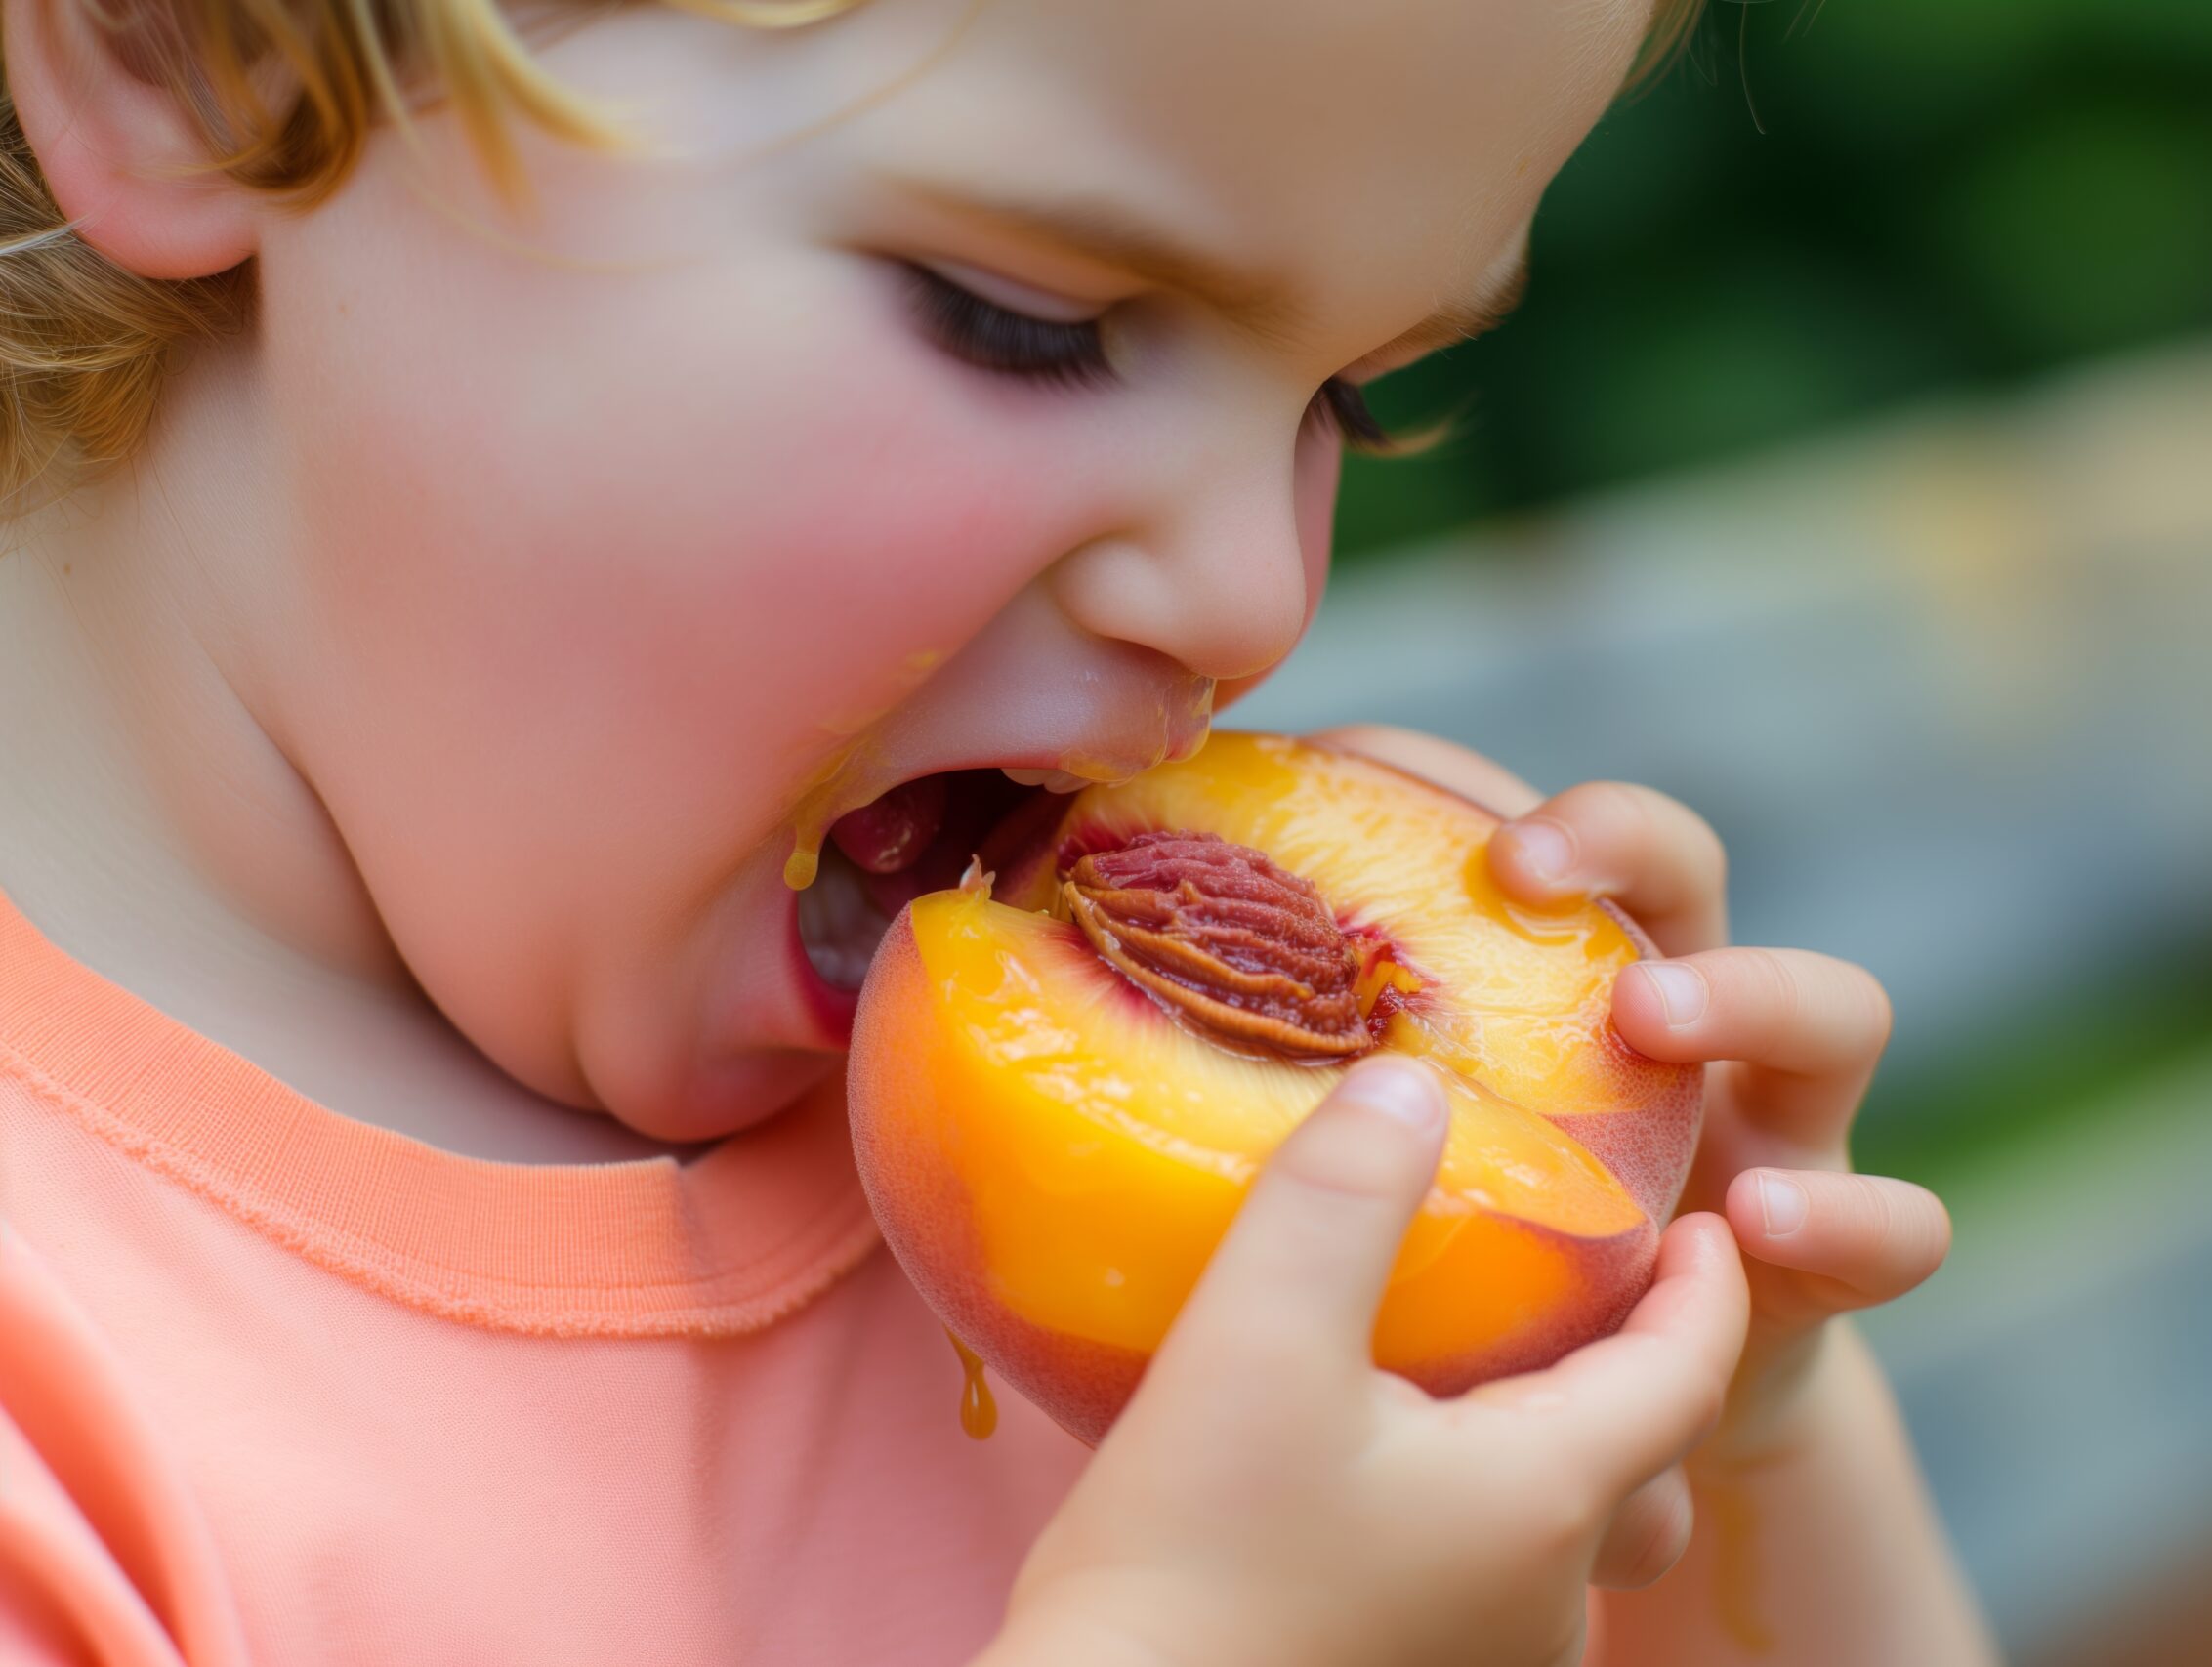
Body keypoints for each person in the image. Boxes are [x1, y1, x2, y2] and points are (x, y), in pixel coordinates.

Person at [0, 0, 1996, 1661]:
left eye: (1349, 404)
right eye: (1027, 319)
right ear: (201, 48)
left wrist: (1732, 1444)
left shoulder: (1208, 1206)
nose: (1247, 592)